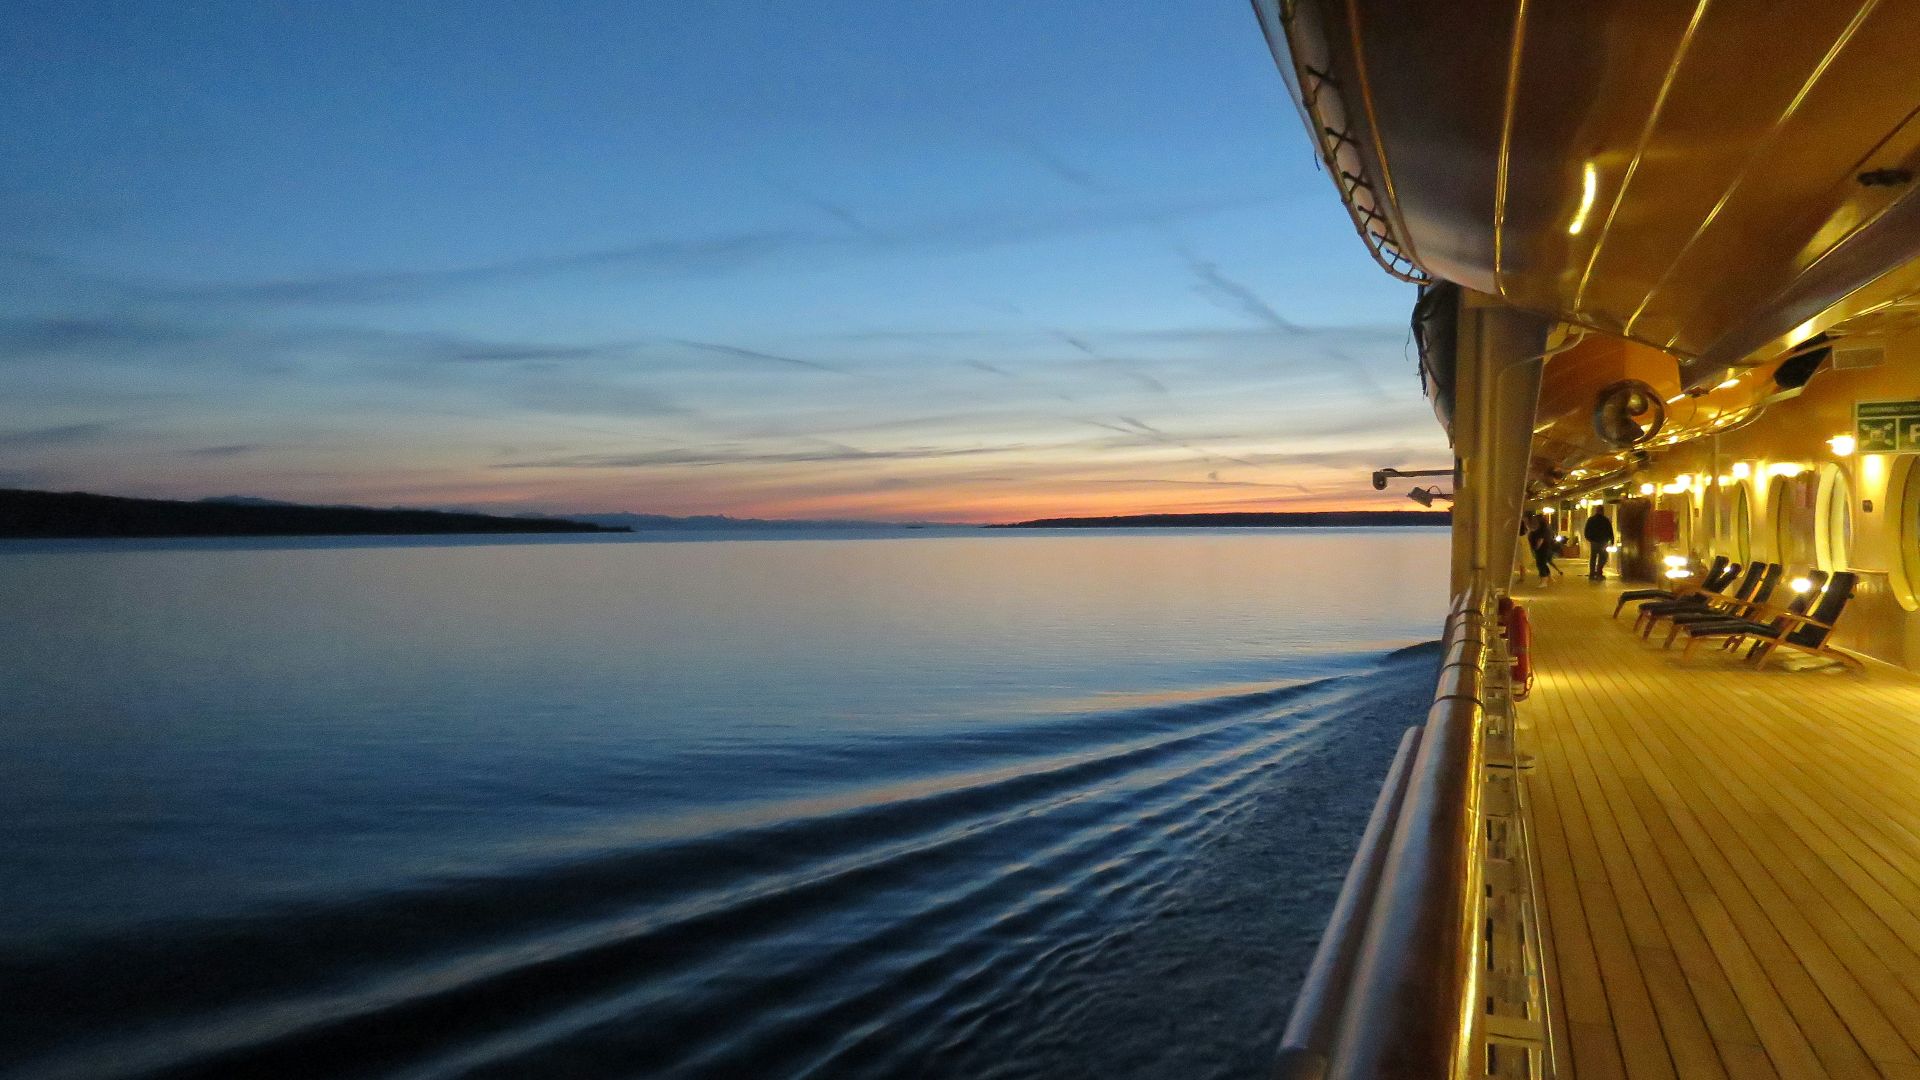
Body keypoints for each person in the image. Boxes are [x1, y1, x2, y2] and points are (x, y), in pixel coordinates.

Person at [1583, 510, 1615, 580]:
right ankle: (1599, 572)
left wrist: (1589, 538)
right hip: (1603, 541)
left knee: (1593, 557)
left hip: (1594, 541)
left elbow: (1586, 530)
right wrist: (1612, 540)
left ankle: (1592, 573)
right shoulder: (1605, 520)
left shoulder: (1591, 520)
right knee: (1603, 557)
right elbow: (1610, 530)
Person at [1527, 514, 1558, 584]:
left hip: (1542, 548)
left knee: (1540, 564)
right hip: (1545, 548)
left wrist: (1536, 547)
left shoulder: (1542, 529)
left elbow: (1541, 539)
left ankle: (1544, 580)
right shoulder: (1545, 528)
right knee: (1543, 563)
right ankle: (1549, 578)